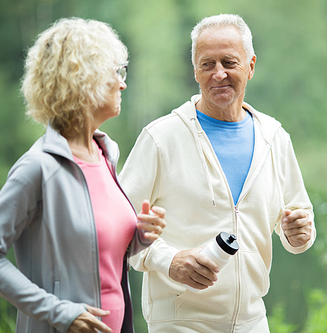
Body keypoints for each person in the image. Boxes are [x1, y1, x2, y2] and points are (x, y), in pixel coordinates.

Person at [119, 13, 316, 332]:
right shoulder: (161, 138)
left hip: (252, 321)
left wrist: (299, 234)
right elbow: (117, 229)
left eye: (229, 62)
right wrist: (169, 261)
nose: (218, 74)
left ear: (251, 66)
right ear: (195, 70)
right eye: (207, 64)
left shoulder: (274, 137)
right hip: (180, 323)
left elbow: (298, 223)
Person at [0, 18, 166, 333]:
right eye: (116, 73)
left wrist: (142, 235)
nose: (123, 83)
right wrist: (57, 312)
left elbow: (95, 254)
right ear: (84, 80)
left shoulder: (107, 154)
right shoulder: (37, 167)